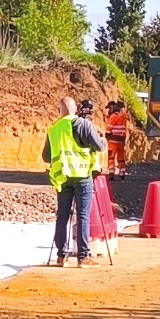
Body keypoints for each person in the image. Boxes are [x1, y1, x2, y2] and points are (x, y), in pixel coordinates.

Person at [44, 96, 106, 266]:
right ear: (75, 109)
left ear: (60, 111)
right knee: (83, 216)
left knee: (62, 216)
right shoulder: (83, 124)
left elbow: (46, 156)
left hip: (63, 177)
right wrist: (101, 140)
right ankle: (83, 257)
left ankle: (61, 256)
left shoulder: (53, 129)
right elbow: (99, 147)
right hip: (82, 176)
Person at [98, 93, 132, 177]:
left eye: (109, 108)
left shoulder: (114, 116)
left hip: (112, 139)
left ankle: (111, 173)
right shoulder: (124, 116)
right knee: (121, 157)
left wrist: (106, 134)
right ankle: (122, 172)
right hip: (121, 140)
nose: (109, 110)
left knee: (111, 157)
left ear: (113, 107)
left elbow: (109, 127)